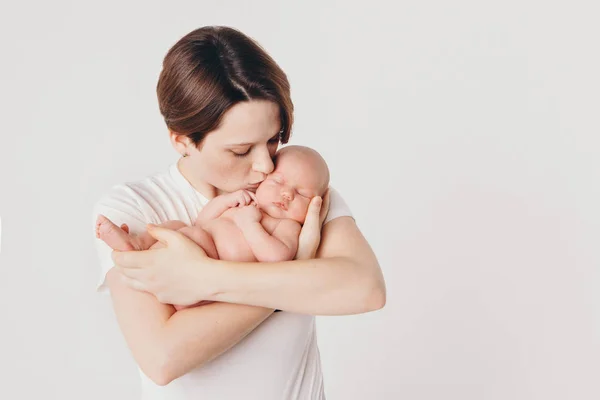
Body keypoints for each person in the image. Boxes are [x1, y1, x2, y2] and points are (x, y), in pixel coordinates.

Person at [92, 25, 386, 399]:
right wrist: (299, 268)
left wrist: (205, 276)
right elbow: (162, 358)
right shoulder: (134, 206)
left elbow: (366, 290)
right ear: (182, 139)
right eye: (241, 150)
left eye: (274, 139)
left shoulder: (296, 191)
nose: (265, 166)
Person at [95, 145, 330, 311]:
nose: (286, 194)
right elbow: (203, 221)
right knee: (177, 227)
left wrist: (251, 225)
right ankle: (138, 243)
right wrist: (225, 202)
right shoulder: (249, 200)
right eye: (277, 182)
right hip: (191, 247)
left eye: (302, 194)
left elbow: (277, 257)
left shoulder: (285, 225)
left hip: (210, 267)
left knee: (190, 234)